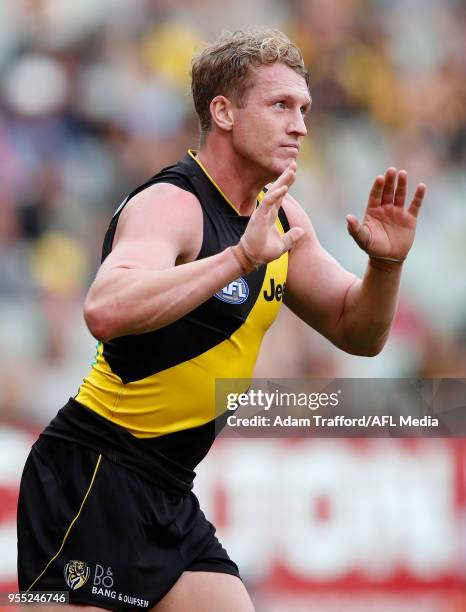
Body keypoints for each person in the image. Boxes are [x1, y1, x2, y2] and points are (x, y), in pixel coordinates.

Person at [17, 28, 425, 611]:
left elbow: (356, 331)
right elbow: (105, 309)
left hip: (168, 487)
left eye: (305, 109)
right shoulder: (172, 204)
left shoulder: (281, 217)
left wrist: (385, 264)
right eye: (281, 105)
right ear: (224, 112)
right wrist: (237, 258)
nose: (300, 125)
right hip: (93, 471)